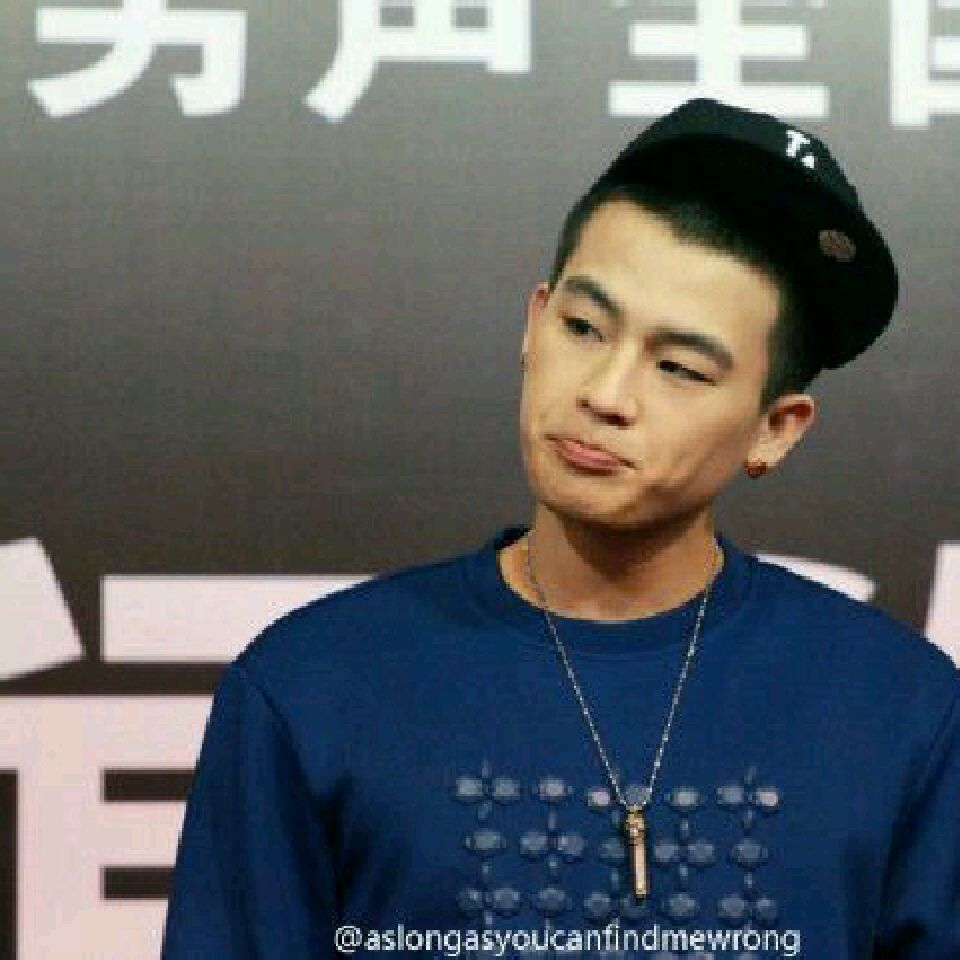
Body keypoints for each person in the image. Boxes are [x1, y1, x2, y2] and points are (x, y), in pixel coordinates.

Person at [161, 98, 960, 959]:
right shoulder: (313, 685)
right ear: (532, 323)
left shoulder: (898, 707)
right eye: (583, 328)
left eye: (680, 367)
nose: (605, 394)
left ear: (775, 428)